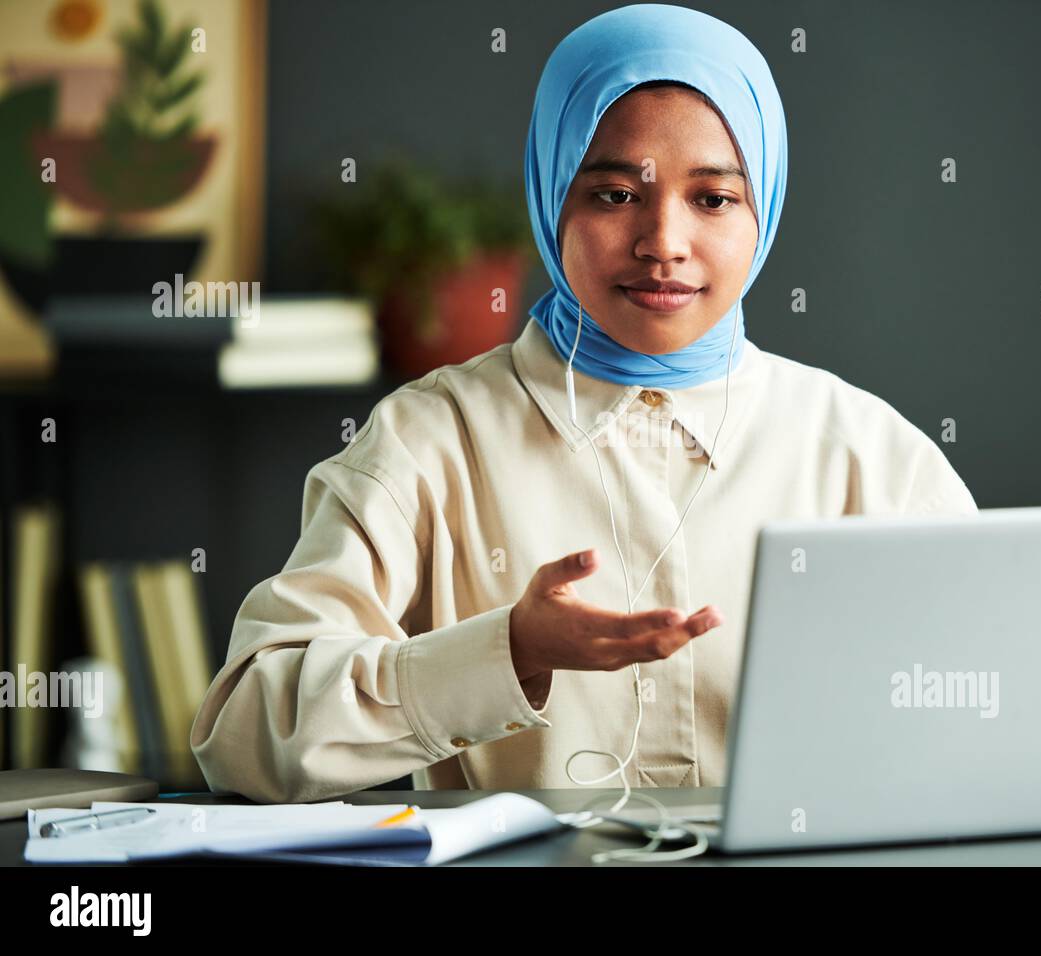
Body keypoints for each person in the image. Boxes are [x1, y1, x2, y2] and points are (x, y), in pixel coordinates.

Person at [191, 3, 977, 804]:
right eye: (612, 195)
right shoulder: (429, 439)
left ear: (762, 208)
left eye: (712, 199)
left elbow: (998, 716)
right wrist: (506, 653)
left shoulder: (872, 456)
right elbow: (245, 737)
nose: (663, 240)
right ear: (549, 194)